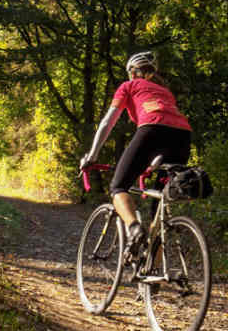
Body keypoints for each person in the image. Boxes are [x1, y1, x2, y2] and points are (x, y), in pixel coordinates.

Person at [80, 51, 191, 247]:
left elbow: (108, 122)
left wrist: (92, 156)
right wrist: (153, 163)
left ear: (132, 72)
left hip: (152, 130)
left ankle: (134, 228)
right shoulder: (165, 92)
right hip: (183, 137)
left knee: (118, 187)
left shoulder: (128, 86)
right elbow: (168, 126)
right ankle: (155, 271)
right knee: (159, 210)